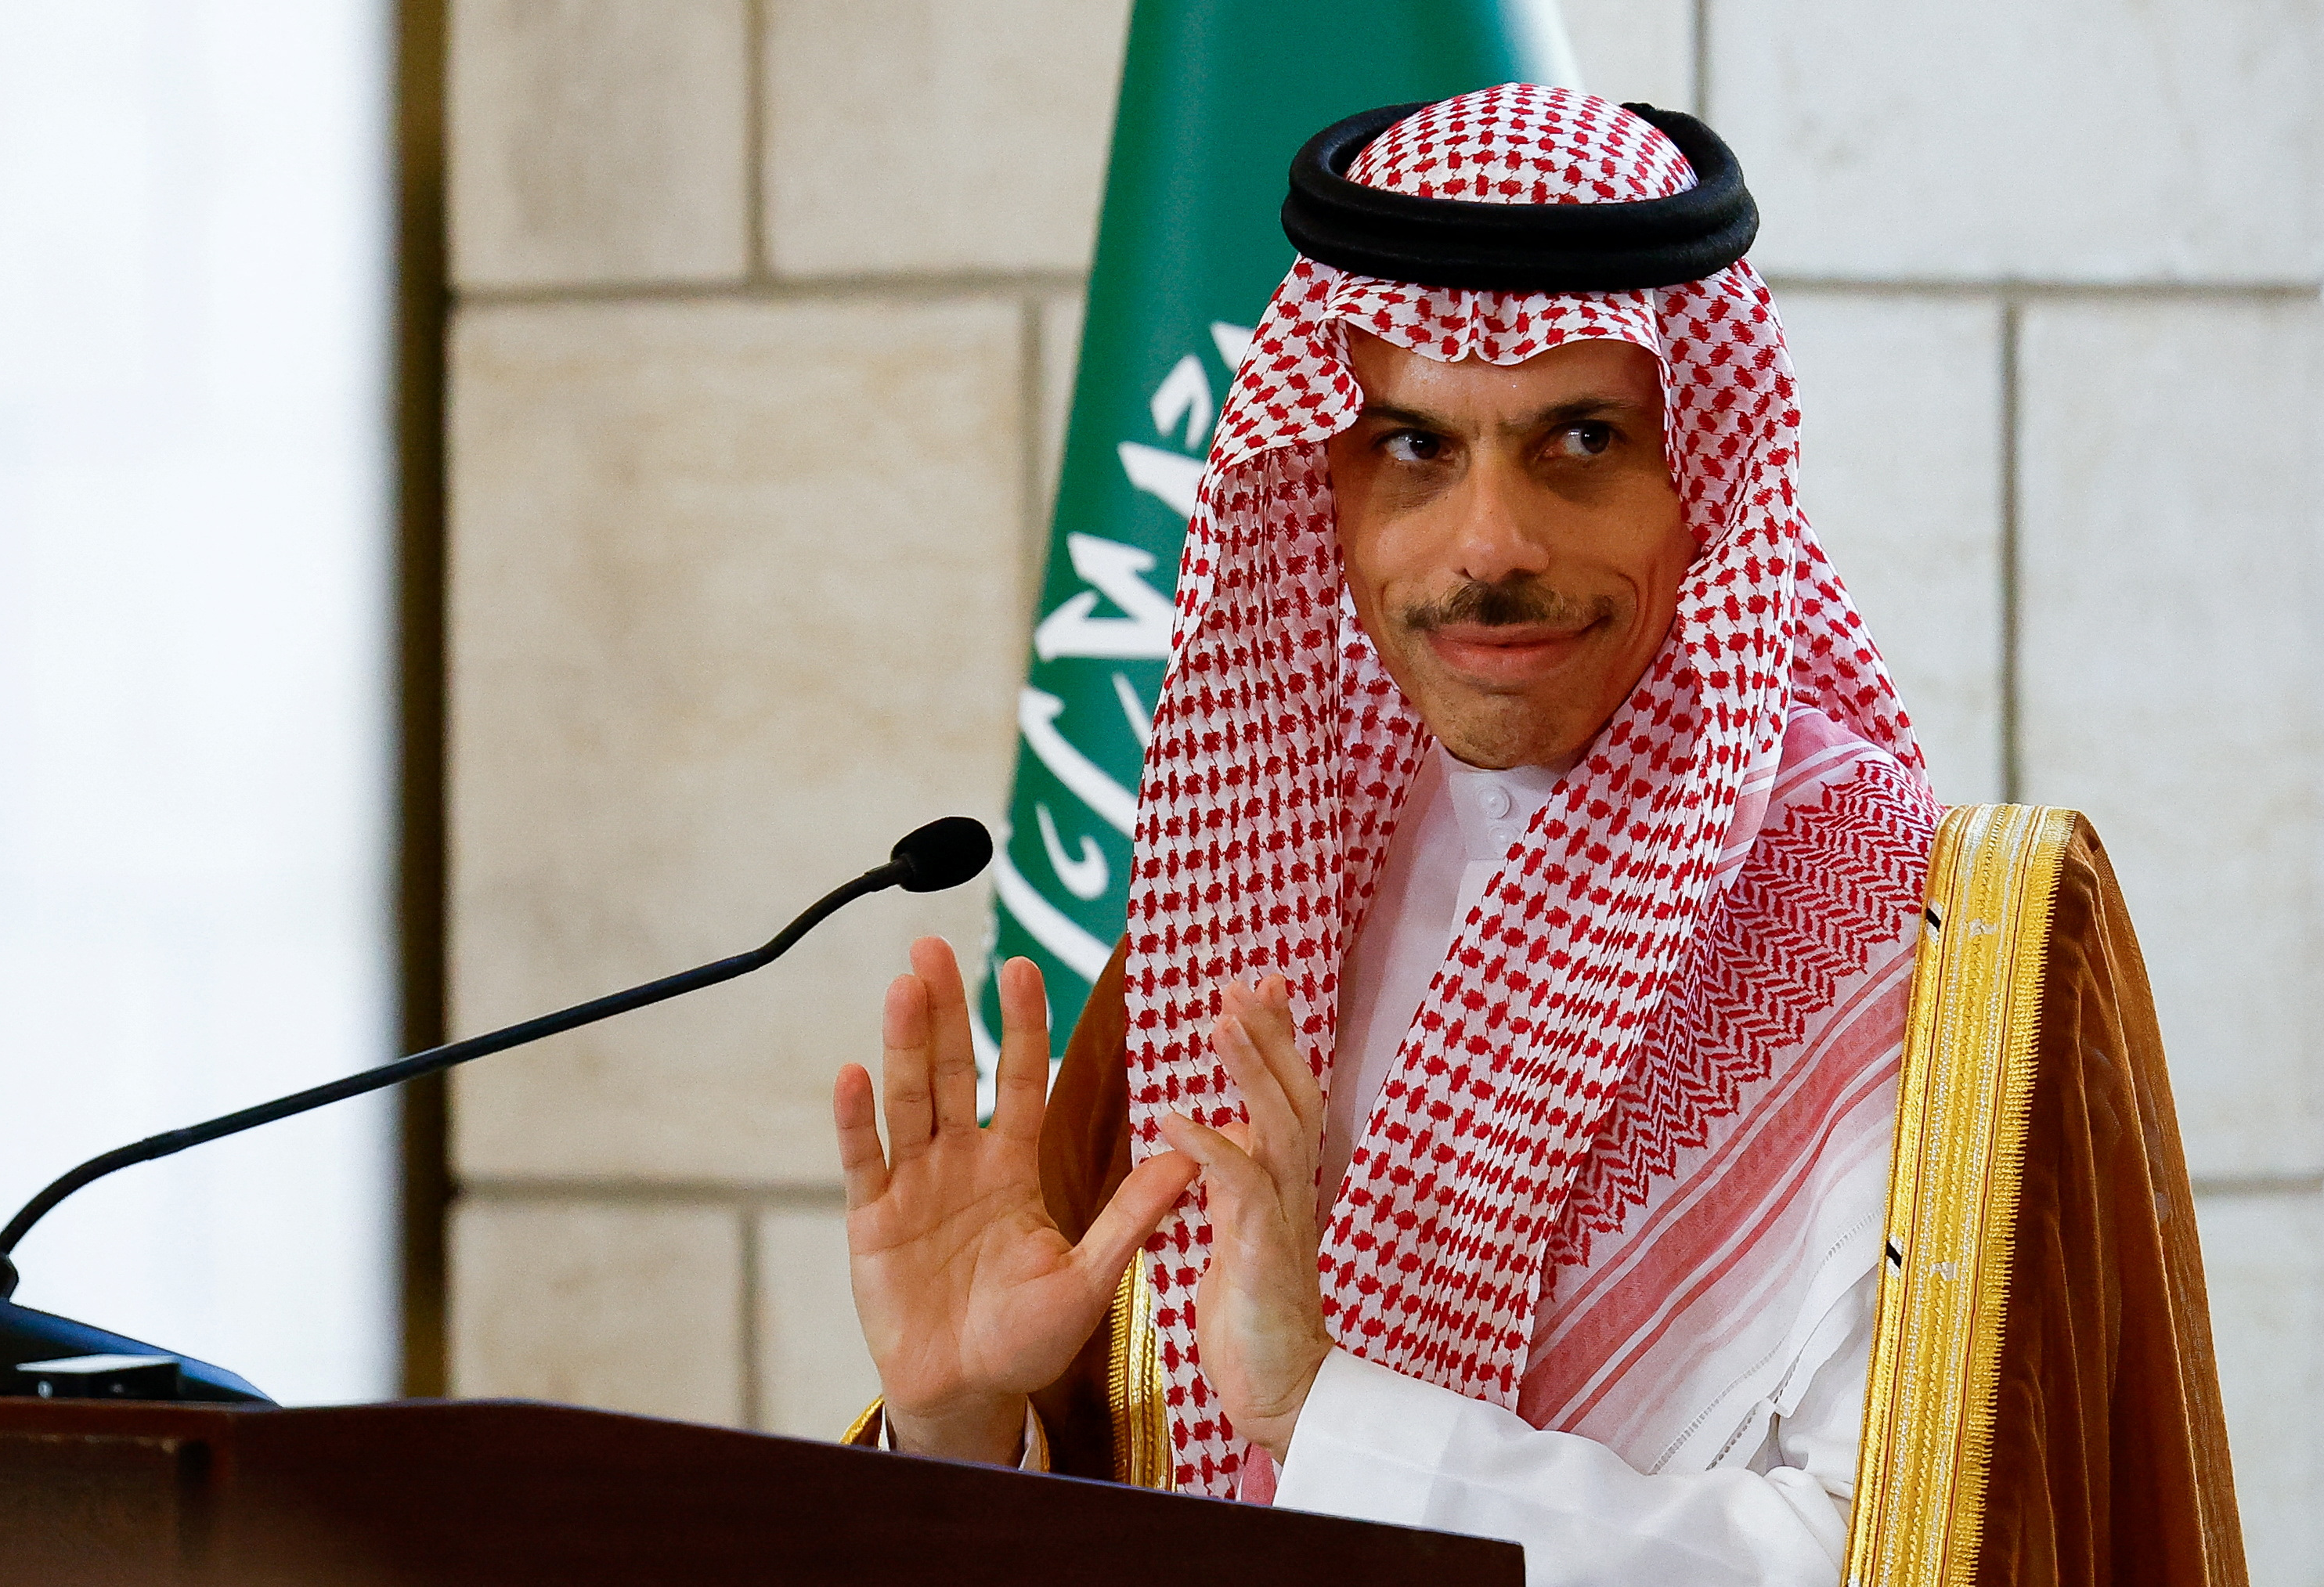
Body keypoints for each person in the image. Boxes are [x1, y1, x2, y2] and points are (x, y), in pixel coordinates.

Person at [832, 85, 2245, 1586]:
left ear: (1700, 477)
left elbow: (1902, 1561)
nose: (1489, 544)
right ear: (1323, 487)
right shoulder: (1237, 925)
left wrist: (1325, 1417)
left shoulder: (1937, 944)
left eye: (1579, 439)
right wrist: (957, 1431)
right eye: (1412, 447)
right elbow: (1134, 1502)